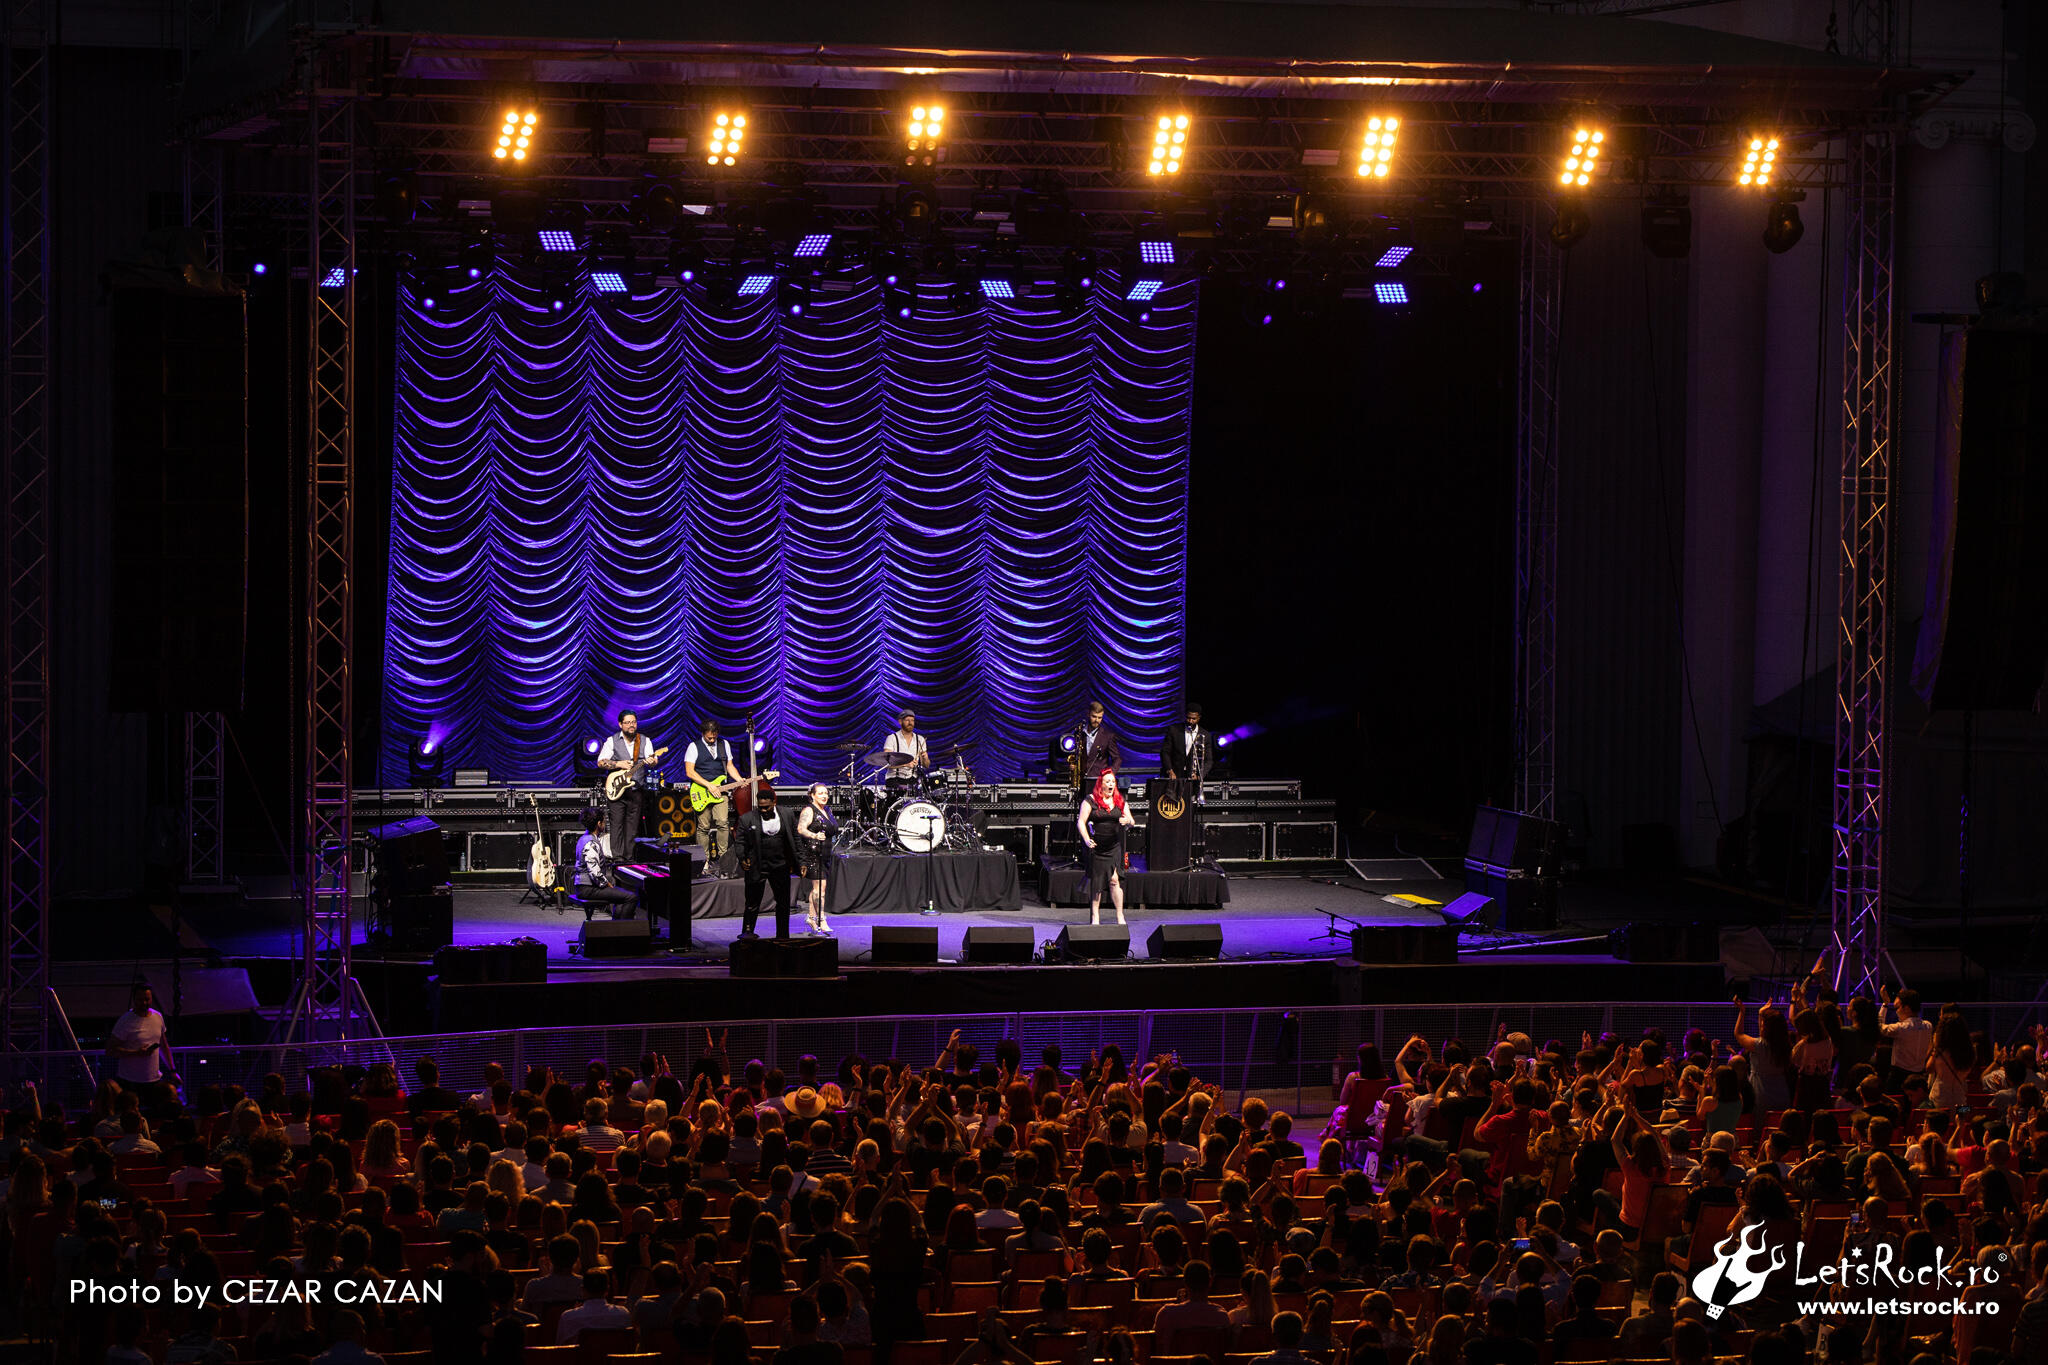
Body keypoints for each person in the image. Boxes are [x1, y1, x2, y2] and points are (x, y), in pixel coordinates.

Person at [597, 710, 665, 857]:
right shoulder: (612, 741)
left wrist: (652, 761)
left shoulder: (644, 741)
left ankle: (629, 858)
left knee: (632, 826)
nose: (631, 725)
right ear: (620, 724)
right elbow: (601, 762)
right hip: (617, 791)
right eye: (627, 722)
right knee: (616, 825)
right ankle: (617, 858)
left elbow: (653, 761)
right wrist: (618, 764)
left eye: (633, 722)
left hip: (636, 790)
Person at [736, 787, 800, 940]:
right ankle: (748, 933)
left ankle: (783, 936)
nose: (763, 810)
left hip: (780, 865)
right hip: (758, 865)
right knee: (752, 903)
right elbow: (740, 842)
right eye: (761, 807)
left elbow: (796, 840)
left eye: (767, 807)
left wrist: (801, 861)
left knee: (783, 903)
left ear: (774, 802)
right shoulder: (747, 819)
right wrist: (742, 857)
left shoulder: (787, 814)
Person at [1078, 770, 1137, 927]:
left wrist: (1127, 821)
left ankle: (1120, 915)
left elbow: (1132, 821)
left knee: (1114, 880)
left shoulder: (1120, 800)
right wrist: (1086, 839)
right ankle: (1095, 917)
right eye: (1107, 781)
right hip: (1097, 848)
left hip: (1114, 847)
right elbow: (1081, 822)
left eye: (1113, 782)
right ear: (1101, 784)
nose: (1111, 784)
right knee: (1097, 883)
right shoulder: (1091, 800)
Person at [683, 720, 746, 859]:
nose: (712, 739)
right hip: (702, 791)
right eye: (709, 737)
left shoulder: (724, 744)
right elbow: (690, 772)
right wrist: (709, 785)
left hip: (720, 790)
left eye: (714, 737)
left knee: (723, 823)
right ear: (703, 733)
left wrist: (739, 779)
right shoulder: (693, 747)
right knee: (703, 827)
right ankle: (703, 860)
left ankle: (723, 859)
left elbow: (729, 766)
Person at [107, 981, 178, 1103]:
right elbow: (110, 1050)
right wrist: (136, 1053)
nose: (144, 1003)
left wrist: (172, 1070)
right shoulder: (125, 1021)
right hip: (129, 1082)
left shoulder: (158, 1017)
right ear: (134, 999)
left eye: (147, 999)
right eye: (140, 1000)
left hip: (153, 1080)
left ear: (152, 999)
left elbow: (164, 1046)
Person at [573, 810, 639, 921]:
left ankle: (616, 928)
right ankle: (624, 931)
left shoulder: (584, 838)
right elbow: (593, 870)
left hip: (585, 887)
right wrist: (606, 883)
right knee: (631, 897)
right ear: (599, 824)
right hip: (588, 889)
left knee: (620, 895)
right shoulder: (590, 843)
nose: (605, 824)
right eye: (604, 821)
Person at [796, 783, 837, 935]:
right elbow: (801, 829)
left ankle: (812, 918)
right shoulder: (809, 810)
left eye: (826, 793)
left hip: (825, 853)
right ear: (812, 795)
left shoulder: (827, 810)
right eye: (820, 793)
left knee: (818, 889)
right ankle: (821, 919)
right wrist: (814, 835)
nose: (824, 796)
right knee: (820, 890)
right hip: (814, 854)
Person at [1159, 701, 1209, 798]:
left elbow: (1209, 759)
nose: (1190, 721)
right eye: (1188, 718)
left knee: (1189, 808)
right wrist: (1169, 770)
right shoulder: (1174, 730)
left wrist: (1199, 775)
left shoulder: (1205, 735)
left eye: (1193, 719)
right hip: (1174, 776)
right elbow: (1165, 752)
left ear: (1199, 718)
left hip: (1193, 779)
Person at [1073, 700, 1120, 786]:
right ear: (1088, 714)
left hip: (1099, 780)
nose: (1097, 720)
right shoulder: (1079, 733)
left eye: (1100, 717)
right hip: (1081, 779)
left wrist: (1109, 775)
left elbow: (1117, 759)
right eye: (1094, 716)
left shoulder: (1108, 736)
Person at [882, 710, 928, 786]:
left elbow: (926, 765)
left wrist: (925, 758)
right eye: (907, 720)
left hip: (913, 780)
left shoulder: (920, 739)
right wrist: (905, 764)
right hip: (894, 780)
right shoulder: (892, 738)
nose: (910, 722)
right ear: (900, 722)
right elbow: (886, 764)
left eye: (912, 720)